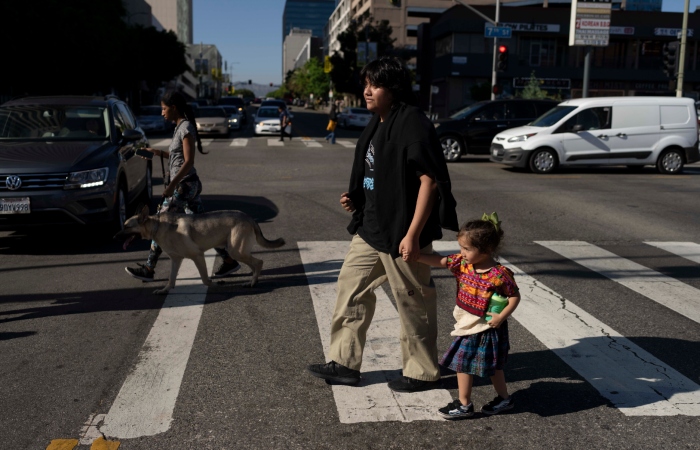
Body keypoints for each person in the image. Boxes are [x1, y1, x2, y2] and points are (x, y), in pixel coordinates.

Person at [306, 56, 459, 393]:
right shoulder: (378, 122)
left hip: (401, 232)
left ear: (393, 88)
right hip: (371, 228)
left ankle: (421, 371)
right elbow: (377, 174)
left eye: (373, 84)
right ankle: (344, 363)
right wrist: (357, 198)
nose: (366, 91)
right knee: (350, 290)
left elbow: (429, 182)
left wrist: (413, 235)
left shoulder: (412, 124)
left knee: (412, 301)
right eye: (366, 84)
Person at [412, 213, 521, 419]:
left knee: (471, 365)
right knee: (491, 366)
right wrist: (418, 257)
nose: (461, 253)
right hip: (469, 322)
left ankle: (465, 404)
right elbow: (442, 261)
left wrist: (501, 317)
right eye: (461, 247)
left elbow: (514, 296)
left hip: (486, 326)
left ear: (487, 250)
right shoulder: (464, 264)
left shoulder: (499, 274)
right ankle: (503, 399)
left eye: (467, 249)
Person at [125, 90, 240, 282]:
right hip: (187, 184)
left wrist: (172, 185)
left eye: (164, 108)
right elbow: (178, 158)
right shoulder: (179, 126)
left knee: (158, 223)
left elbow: (188, 162)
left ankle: (149, 268)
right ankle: (229, 261)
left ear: (174, 108)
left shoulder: (186, 127)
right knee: (204, 226)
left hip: (185, 186)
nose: (162, 112)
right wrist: (157, 153)